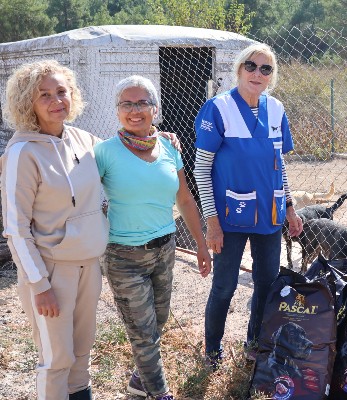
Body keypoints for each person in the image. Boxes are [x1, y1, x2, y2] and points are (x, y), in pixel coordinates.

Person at [95, 75, 212, 400]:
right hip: (122, 255)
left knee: (157, 323)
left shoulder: (169, 147)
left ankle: (138, 385)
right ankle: (160, 394)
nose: (135, 110)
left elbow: (185, 199)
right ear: (117, 111)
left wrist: (201, 245)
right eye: (127, 104)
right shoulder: (103, 152)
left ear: (155, 109)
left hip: (164, 248)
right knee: (144, 334)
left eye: (142, 103)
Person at [1, 60, 108, 400]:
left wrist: (154, 137)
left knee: (81, 354)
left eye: (61, 91)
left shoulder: (81, 138)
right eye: (43, 95)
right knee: (56, 358)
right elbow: (16, 229)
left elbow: (121, 154)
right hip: (51, 270)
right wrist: (39, 286)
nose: (55, 100)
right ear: (27, 103)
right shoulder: (22, 152)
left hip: (88, 264)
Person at [194, 43, 302, 368]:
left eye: (265, 69)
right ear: (239, 69)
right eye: (251, 66)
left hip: (269, 215)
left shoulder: (277, 110)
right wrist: (211, 221)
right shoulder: (219, 108)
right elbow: (201, 168)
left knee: (266, 283)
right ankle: (212, 349)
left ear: (272, 76)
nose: (257, 73)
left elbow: (278, 163)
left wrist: (291, 207)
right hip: (229, 216)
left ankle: (254, 342)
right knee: (224, 286)